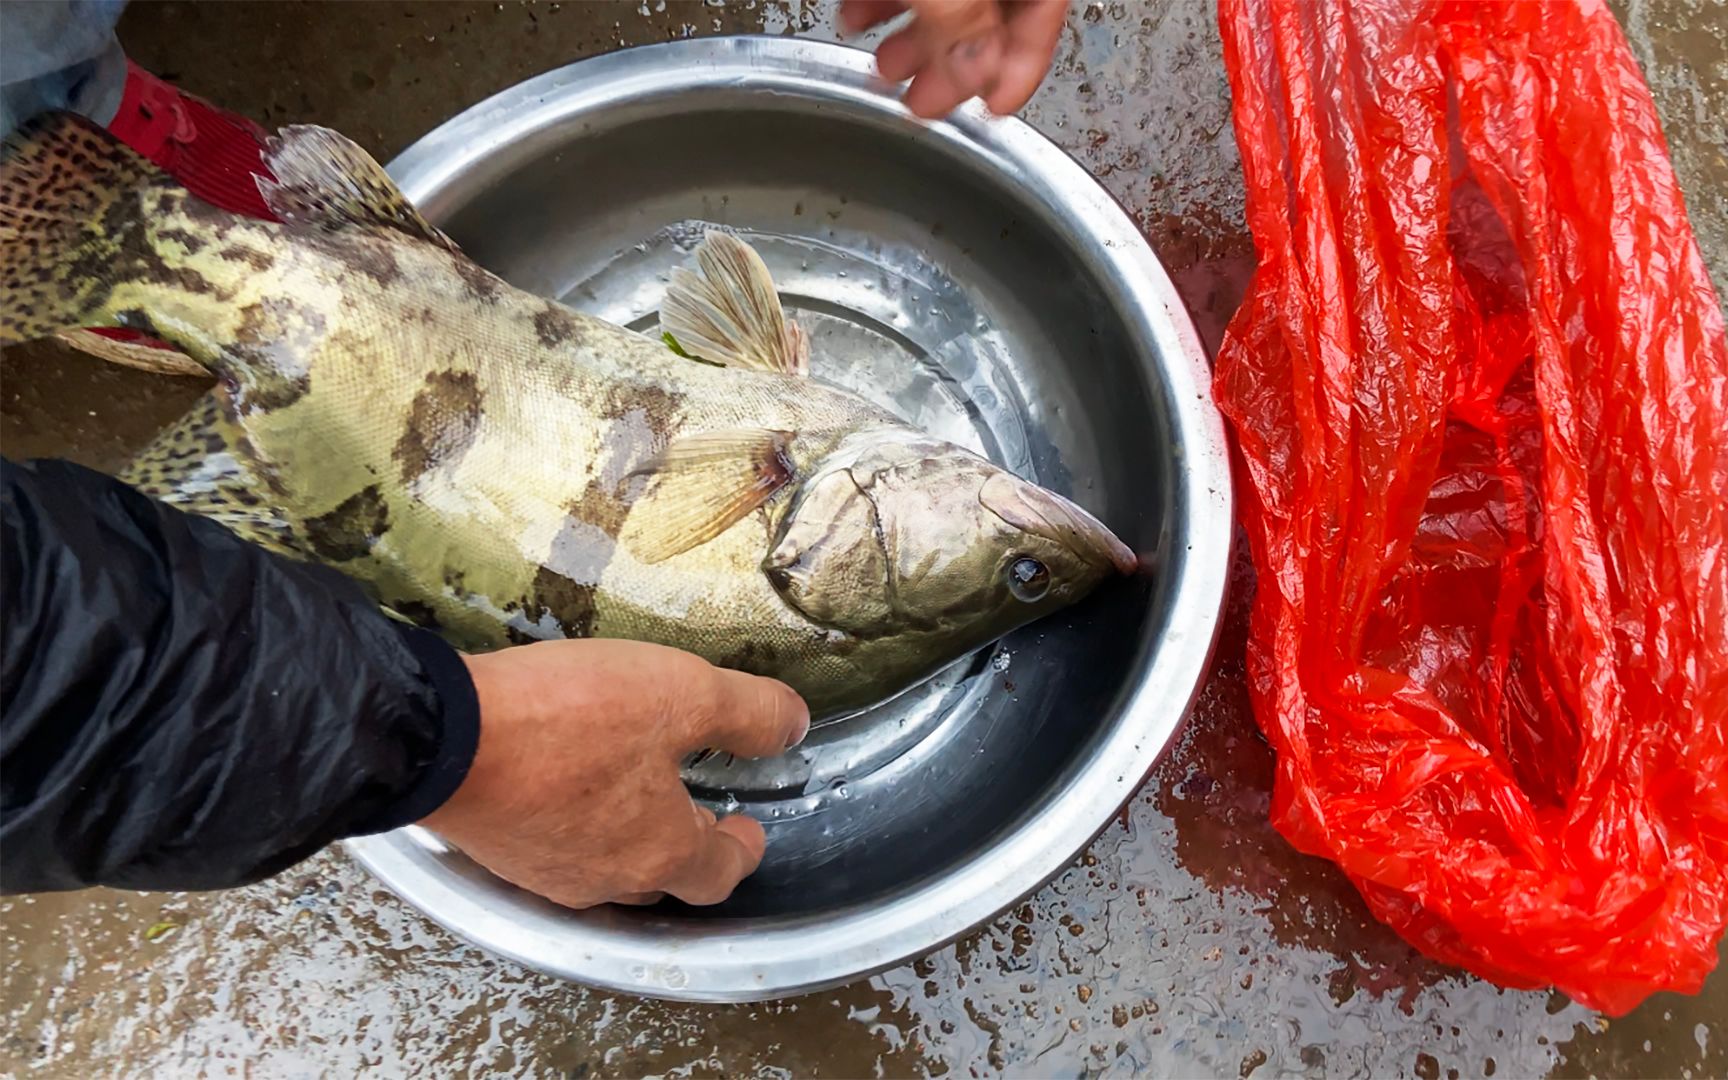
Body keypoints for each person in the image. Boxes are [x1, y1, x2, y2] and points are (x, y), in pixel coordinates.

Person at [0, 0, 1064, 909]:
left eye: (1023, 568)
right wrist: (451, 744)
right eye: (1025, 572)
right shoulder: (804, 477)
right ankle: (93, 175)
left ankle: (68, 119)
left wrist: (448, 735)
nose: (1037, 549)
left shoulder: (799, 471)